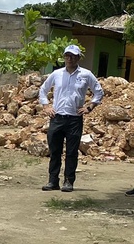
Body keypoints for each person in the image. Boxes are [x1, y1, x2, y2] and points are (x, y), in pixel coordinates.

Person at [37, 44, 104, 192]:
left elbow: (99, 92)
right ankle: (53, 181)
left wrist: (90, 106)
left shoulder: (86, 75)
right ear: (64, 57)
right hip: (57, 117)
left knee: (72, 152)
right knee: (55, 151)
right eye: (67, 55)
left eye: (73, 56)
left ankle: (69, 181)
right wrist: (46, 106)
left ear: (78, 57)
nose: (69, 58)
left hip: (74, 119)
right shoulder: (57, 74)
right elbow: (43, 90)